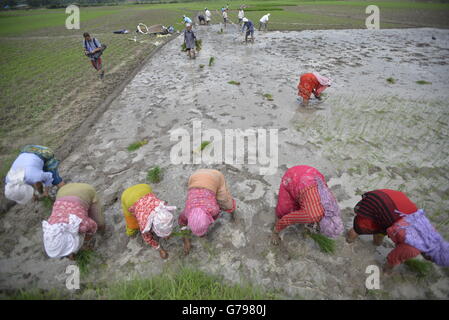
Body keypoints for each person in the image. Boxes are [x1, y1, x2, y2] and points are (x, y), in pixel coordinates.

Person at [346, 189, 449, 274]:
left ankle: (376, 242)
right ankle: (348, 241)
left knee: (381, 228)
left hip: (393, 200)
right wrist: (387, 271)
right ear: (430, 258)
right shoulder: (413, 249)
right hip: (380, 203)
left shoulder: (431, 232)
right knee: (360, 228)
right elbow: (392, 258)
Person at [271, 165, 343, 246]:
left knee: (302, 206)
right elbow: (286, 219)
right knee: (283, 210)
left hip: (312, 174)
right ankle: (275, 229)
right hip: (294, 176)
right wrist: (276, 232)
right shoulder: (311, 216)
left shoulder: (334, 209)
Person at [179, 169, 236, 255]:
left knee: (226, 203)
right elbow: (181, 223)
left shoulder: (213, 210)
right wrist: (186, 240)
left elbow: (217, 213)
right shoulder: (187, 212)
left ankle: (233, 212)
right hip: (195, 177)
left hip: (214, 177)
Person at [42, 183, 104, 259]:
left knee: (100, 224)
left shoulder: (81, 225)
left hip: (84, 190)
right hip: (62, 192)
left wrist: (86, 242)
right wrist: (70, 253)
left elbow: (93, 226)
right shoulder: (51, 229)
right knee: (82, 213)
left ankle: (104, 235)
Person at [121, 184, 176, 259]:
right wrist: (160, 249)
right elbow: (148, 239)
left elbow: (165, 221)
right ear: (151, 227)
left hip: (144, 188)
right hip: (127, 197)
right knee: (132, 224)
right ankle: (130, 232)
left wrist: (166, 233)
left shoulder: (163, 209)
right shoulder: (144, 226)